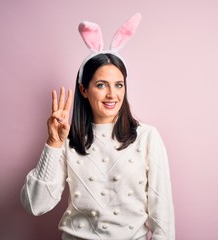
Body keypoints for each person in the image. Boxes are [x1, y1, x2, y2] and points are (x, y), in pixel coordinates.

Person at [20, 13, 175, 240]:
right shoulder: (68, 140)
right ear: (84, 89)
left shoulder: (147, 137)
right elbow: (35, 205)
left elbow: (163, 219)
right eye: (101, 85)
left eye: (119, 85)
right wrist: (53, 143)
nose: (112, 94)